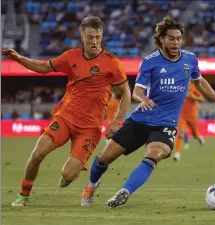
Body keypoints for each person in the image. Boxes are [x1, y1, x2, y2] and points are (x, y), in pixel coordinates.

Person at [81, 17, 215, 208]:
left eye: (178, 38)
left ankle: (125, 191)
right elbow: (137, 91)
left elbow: (200, 83)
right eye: (171, 38)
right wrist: (144, 99)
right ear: (162, 39)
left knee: (155, 153)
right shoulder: (150, 62)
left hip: (166, 124)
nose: (175, 43)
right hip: (141, 119)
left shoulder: (189, 59)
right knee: (105, 158)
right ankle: (90, 187)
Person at [2, 16, 131, 207]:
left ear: (101, 36)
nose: (94, 41)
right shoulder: (71, 56)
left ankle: (76, 178)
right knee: (37, 153)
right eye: (90, 38)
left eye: (97, 37)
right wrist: (19, 59)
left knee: (67, 175)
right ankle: (23, 195)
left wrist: (116, 121)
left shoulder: (112, 63)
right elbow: (44, 68)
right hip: (66, 117)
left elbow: (125, 93)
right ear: (82, 36)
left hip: (90, 128)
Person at [172, 82, 205, 161]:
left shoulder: (194, 87)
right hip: (182, 115)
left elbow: (202, 99)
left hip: (192, 115)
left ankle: (198, 137)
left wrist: (193, 96)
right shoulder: (177, 86)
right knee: (181, 133)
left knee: (195, 134)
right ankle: (177, 153)